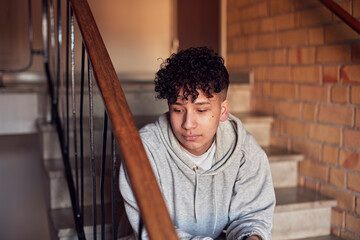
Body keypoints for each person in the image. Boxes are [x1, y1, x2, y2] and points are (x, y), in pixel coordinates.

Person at [119, 47, 275, 240]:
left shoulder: (245, 151)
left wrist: (252, 237)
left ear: (223, 111)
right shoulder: (144, 151)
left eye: (201, 110)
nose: (188, 124)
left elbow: (252, 217)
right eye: (178, 110)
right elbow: (154, 230)